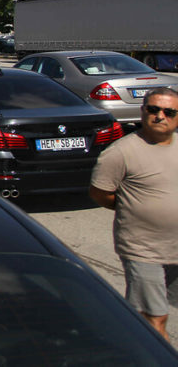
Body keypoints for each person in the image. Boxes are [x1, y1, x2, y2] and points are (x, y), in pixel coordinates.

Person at [90, 87, 178, 338]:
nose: (160, 116)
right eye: (153, 109)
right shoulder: (121, 152)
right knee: (153, 318)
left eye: (169, 112)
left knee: (159, 309)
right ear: (143, 111)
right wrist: (135, 207)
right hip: (144, 249)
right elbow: (101, 193)